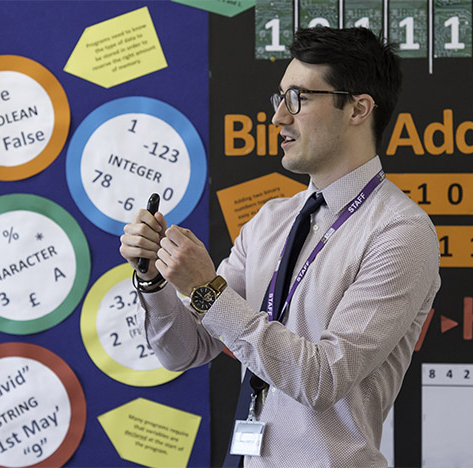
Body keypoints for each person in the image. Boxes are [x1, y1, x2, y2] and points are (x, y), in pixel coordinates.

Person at [120, 26, 440, 468]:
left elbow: (323, 378)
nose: (278, 118)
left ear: (358, 109)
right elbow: (184, 350)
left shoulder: (400, 232)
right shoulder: (271, 218)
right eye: (280, 99)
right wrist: (153, 279)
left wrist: (207, 289)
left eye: (299, 99)